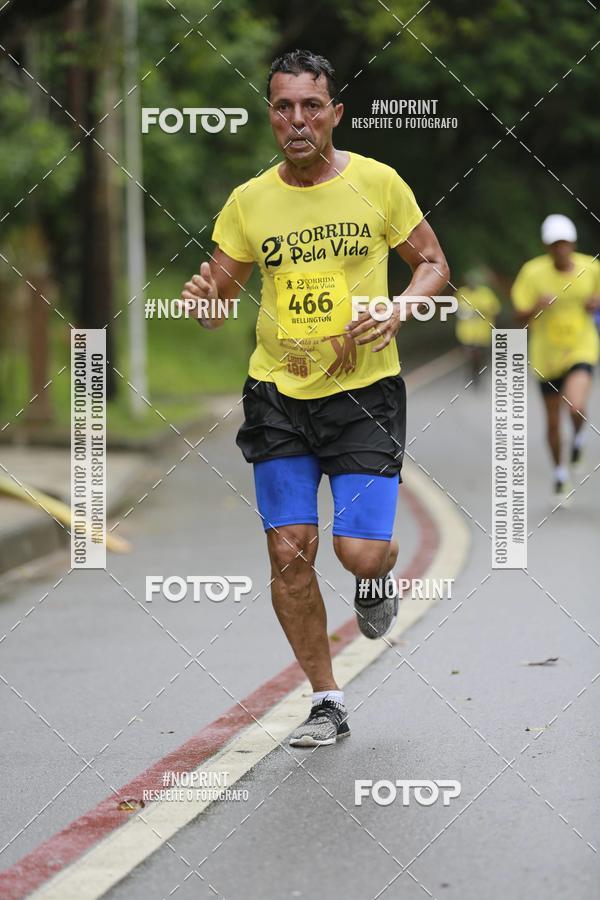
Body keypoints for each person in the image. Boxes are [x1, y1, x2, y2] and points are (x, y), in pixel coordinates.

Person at [181, 49, 449, 746]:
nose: (296, 120)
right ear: (270, 116)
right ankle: (326, 700)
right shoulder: (249, 201)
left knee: (360, 552)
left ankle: (375, 579)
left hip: (364, 393)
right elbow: (219, 299)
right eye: (283, 107)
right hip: (278, 394)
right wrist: (205, 305)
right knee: (288, 551)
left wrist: (400, 307)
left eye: (310, 106)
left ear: (335, 113)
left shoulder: (378, 183)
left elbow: (432, 264)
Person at [512, 214, 600, 499]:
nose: (560, 249)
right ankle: (560, 473)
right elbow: (518, 317)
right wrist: (535, 306)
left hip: (581, 346)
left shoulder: (591, 268)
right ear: (546, 246)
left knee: (575, 406)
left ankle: (578, 437)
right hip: (546, 355)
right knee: (552, 421)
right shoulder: (532, 273)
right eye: (554, 244)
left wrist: (596, 303)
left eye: (564, 243)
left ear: (573, 243)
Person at [455, 269, 501, 383]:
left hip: (482, 333)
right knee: (470, 355)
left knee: (479, 355)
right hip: (466, 333)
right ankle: (473, 374)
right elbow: (457, 308)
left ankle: (478, 374)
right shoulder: (461, 293)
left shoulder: (485, 292)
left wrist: (480, 311)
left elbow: (494, 308)